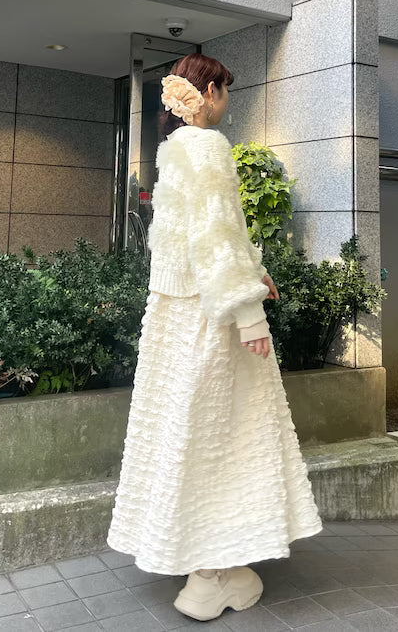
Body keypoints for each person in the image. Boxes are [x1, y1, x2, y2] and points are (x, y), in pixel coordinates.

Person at [106, 53, 323, 622]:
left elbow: (192, 236)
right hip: (210, 317)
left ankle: (199, 565)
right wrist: (249, 314)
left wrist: (255, 273)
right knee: (224, 433)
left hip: (174, 315)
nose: (228, 100)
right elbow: (218, 235)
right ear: (207, 95)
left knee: (184, 432)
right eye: (224, 90)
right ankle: (211, 574)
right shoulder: (208, 147)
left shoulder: (175, 149)